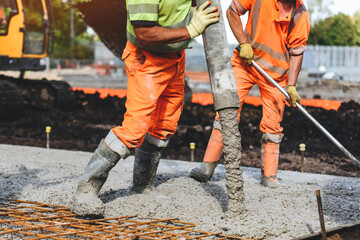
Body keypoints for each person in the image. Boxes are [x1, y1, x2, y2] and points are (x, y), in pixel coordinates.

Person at [71, 0, 220, 216]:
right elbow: (145, 33)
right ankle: (86, 189)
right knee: (134, 130)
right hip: (147, 59)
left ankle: (143, 185)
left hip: (175, 59)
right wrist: (191, 29)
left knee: (164, 125)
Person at [190, 0, 310, 188]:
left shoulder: (300, 13)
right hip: (246, 63)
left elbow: (297, 52)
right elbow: (232, 12)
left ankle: (269, 177)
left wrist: (292, 85)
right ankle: (207, 167)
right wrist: (243, 43)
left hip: (276, 76)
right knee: (227, 111)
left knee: (273, 125)